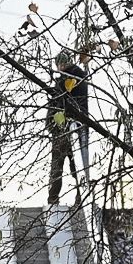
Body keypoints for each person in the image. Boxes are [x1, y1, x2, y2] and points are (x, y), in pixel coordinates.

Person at [46, 51, 88, 206]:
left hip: (66, 129)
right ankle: (78, 197)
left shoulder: (68, 81)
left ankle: (54, 199)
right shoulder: (78, 79)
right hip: (75, 128)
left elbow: (56, 104)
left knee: (59, 167)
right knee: (76, 167)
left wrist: (52, 126)